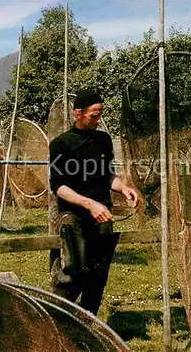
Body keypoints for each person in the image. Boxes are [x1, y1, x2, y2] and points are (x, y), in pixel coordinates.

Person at [48, 89, 139, 315]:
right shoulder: (61, 144)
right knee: (73, 273)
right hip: (74, 216)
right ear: (77, 113)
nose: (98, 120)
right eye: (94, 115)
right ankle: (57, 317)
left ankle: (88, 323)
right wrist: (90, 204)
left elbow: (107, 175)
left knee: (98, 275)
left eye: (100, 115)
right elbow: (58, 187)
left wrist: (124, 188)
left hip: (102, 216)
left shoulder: (103, 140)